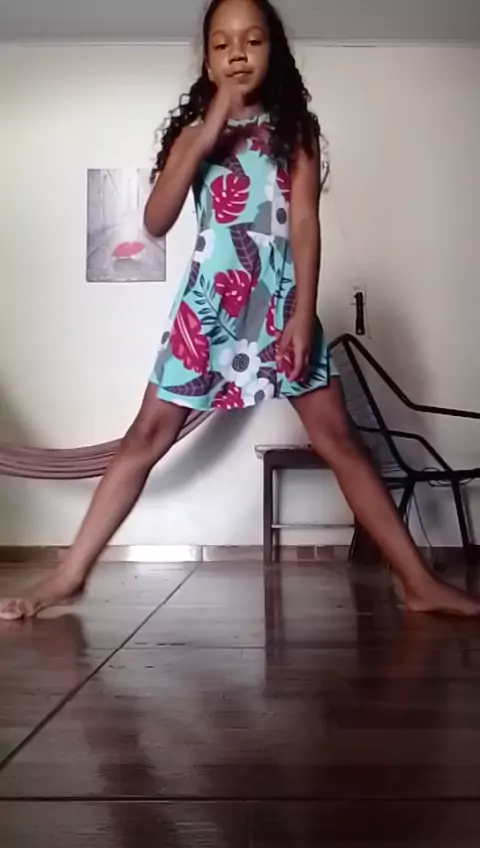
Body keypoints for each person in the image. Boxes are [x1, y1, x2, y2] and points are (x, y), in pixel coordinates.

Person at [1, 0, 479, 620]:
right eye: (222, 43)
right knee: (146, 436)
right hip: (210, 308)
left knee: (339, 439)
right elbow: (155, 219)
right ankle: (68, 576)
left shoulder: (294, 132)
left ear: (272, 53)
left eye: (252, 40)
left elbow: (303, 223)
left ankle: (417, 581)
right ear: (207, 61)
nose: (237, 53)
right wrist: (208, 129)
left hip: (281, 304)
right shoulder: (193, 136)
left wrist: (303, 313)